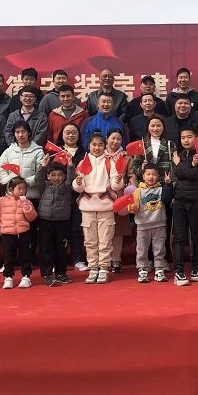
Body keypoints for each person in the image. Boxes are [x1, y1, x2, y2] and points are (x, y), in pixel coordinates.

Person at [72, 132, 123, 284]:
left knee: (105, 240)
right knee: (90, 240)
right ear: (89, 146)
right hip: (87, 207)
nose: (97, 148)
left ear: (105, 146)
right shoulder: (83, 162)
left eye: (100, 145)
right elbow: (78, 187)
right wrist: (78, 182)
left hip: (105, 206)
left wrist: (118, 181)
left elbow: (115, 185)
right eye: (94, 145)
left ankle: (104, 268)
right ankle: (93, 268)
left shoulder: (110, 162)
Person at [0, 120, 45, 254]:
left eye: (23, 131)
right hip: (12, 198)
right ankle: (10, 259)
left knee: (30, 230)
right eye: (17, 132)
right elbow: (0, 170)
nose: (20, 135)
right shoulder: (9, 151)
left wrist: (24, 183)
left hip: (31, 196)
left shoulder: (37, 151)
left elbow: (40, 173)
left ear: (29, 133)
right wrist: (12, 183)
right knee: (11, 228)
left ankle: (29, 258)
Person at [0, 176, 38, 289]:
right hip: (8, 233)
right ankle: (8, 277)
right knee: (8, 256)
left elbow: (32, 217)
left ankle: (26, 276)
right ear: (11, 189)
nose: (22, 191)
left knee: (25, 255)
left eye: (24, 188)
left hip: (24, 232)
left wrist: (28, 210)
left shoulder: (27, 201)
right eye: (19, 188)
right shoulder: (2, 201)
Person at [171, 127, 198, 286]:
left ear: (196, 138)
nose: (186, 140)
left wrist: (179, 164)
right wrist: (186, 166)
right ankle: (178, 271)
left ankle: (196, 268)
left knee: (197, 236)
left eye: (189, 137)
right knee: (179, 238)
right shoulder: (179, 155)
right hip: (179, 201)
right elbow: (180, 174)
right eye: (183, 137)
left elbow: (193, 175)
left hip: (197, 202)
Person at [34, 156, 76, 286]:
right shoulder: (44, 186)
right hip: (45, 221)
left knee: (61, 249)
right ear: (48, 176)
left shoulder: (66, 187)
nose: (56, 178)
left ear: (64, 176)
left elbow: (71, 178)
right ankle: (47, 274)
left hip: (63, 222)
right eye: (53, 175)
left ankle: (60, 273)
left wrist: (70, 164)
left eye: (59, 175)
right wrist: (44, 165)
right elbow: (37, 179)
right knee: (46, 248)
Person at [129, 163, 173, 283]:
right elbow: (132, 207)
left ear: (158, 176)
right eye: (148, 174)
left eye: (154, 174)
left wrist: (168, 184)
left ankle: (159, 269)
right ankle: (142, 270)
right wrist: (132, 208)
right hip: (143, 225)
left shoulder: (161, 189)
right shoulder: (138, 191)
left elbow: (167, 199)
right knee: (142, 249)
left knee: (159, 249)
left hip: (159, 224)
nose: (151, 177)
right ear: (143, 176)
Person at [55, 122, 88, 271]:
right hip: (60, 196)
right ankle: (58, 261)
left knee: (76, 229)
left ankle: (77, 259)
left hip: (78, 196)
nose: (70, 135)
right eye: (67, 132)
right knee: (59, 231)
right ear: (62, 135)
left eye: (74, 132)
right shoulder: (55, 152)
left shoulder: (85, 153)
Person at [105, 128, 136, 273]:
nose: (116, 141)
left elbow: (132, 175)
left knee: (118, 230)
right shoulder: (99, 155)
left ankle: (116, 260)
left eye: (119, 139)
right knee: (103, 229)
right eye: (113, 138)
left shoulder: (126, 157)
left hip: (120, 196)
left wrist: (132, 189)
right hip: (102, 196)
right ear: (107, 139)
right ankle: (104, 260)